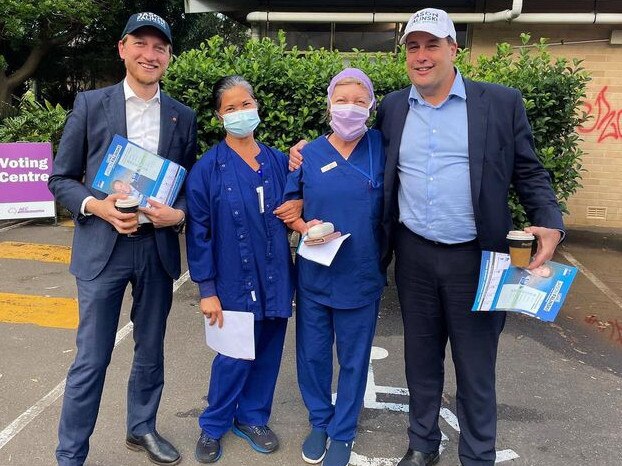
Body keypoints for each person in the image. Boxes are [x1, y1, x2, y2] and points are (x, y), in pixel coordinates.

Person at [289, 9, 564, 466]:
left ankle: (477, 455)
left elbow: (530, 171)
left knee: (475, 367)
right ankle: (422, 445)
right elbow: (351, 144)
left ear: (454, 49)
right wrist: (302, 152)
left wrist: (549, 220)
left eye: (432, 45)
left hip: (476, 258)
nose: (421, 56)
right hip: (413, 255)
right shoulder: (395, 108)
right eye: (412, 47)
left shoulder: (500, 103)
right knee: (420, 360)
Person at [48, 12, 197, 466]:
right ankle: (71, 454)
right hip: (102, 249)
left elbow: (186, 184)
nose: (150, 55)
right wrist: (99, 207)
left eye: (160, 48)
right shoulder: (92, 105)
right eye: (141, 44)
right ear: (123, 48)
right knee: (91, 360)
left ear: (169, 57)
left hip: (157, 250)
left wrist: (180, 215)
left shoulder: (181, 115)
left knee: (150, 351)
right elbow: (61, 179)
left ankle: (142, 429)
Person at [185, 75, 300, 464]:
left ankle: (252, 418)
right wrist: (207, 289)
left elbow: (301, 204)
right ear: (219, 117)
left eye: (245, 104)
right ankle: (213, 424)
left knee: (268, 350)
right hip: (231, 280)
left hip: (276, 275)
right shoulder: (206, 169)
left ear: (257, 107)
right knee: (233, 356)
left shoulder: (280, 162)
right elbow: (198, 232)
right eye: (230, 108)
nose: (240, 113)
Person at [283, 68, 386, 466]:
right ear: (328, 104)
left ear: (372, 106)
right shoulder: (307, 153)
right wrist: (303, 226)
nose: (350, 109)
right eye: (342, 100)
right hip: (315, 273)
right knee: (312, 355)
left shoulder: (381, 147)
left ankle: (343, 431)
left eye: (359, 101)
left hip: (361, 274)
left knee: (354, 358)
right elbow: (289, 209)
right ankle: (320, 422)